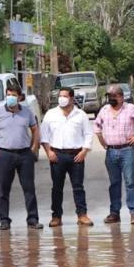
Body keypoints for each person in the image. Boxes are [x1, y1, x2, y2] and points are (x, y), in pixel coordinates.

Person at [0, 84, 43, 231]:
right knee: (3, 189)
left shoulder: (26, 112)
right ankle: (4, 220)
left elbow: (35, 129)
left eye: (13, 95)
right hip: (5, 154)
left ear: (20, 97)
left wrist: (34, 147)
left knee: (29, 188)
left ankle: (33, 219)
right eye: (8, 94)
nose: (10, 97)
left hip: (24, 154)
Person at [94, 85, 134, 225]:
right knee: (114, 183)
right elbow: (96, 126)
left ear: (121, 97)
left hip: (127, 150)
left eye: (114, 96)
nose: (111, 99)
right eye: (109, 96)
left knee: (130, 182)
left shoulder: (130, 109)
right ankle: (114, 213)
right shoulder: (104, 110)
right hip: (111, 151)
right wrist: (102, 141)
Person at [41, 87, 94, 227]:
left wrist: (84, 151)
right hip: (57, 155)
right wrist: (49, 152)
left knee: (78, 187)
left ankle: (82, 215)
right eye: (60, 96)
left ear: (71, 98)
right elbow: (44, 135)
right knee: (57, 188)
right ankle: (56, 217)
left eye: (64, 96)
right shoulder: (50, 114)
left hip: (76, 155)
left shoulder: (81, 115)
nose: (61, 98)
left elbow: (88, 134)